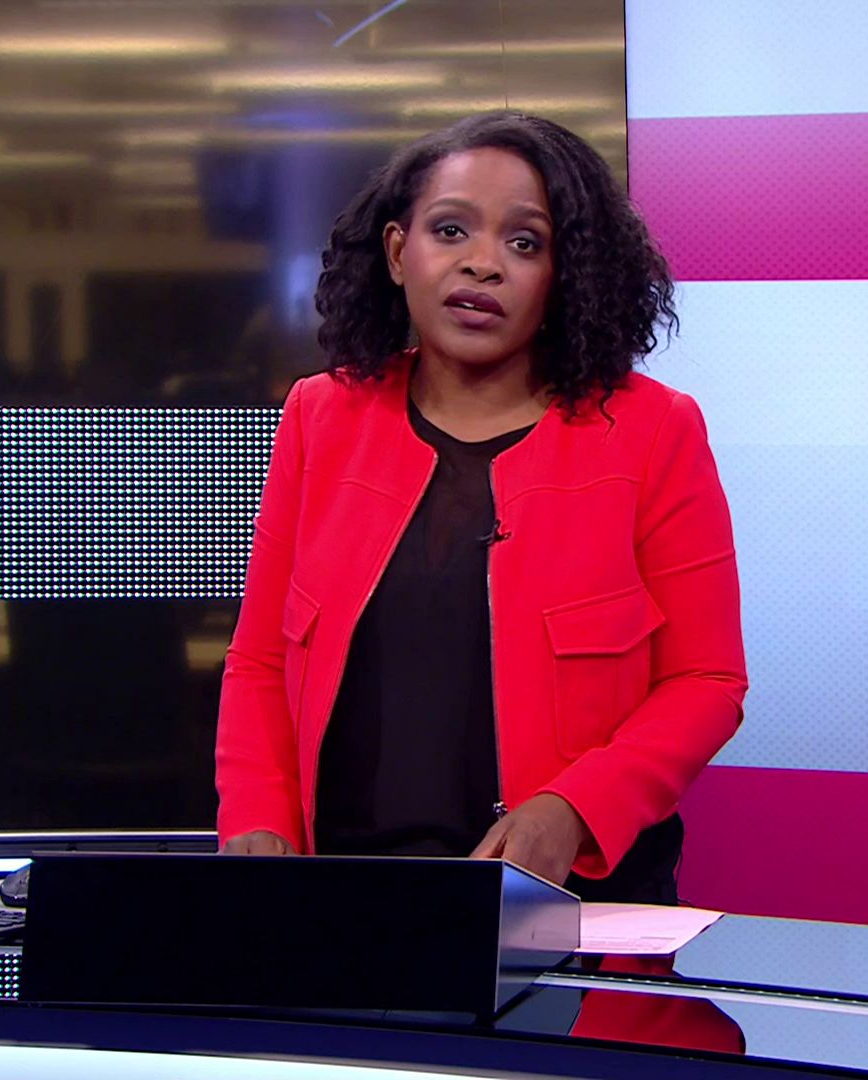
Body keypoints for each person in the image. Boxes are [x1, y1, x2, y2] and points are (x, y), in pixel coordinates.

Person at [214, 112, 746, 903]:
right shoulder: (320, 417)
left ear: (566, 275)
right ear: (399, 252)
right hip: (341, 894)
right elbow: (260, 658)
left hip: (562, 905)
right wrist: (257, 817)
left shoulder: (653, 431)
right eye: (451, 229)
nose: (483, 264)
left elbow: (706, 680)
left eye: (525, 243)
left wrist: (575, 810)